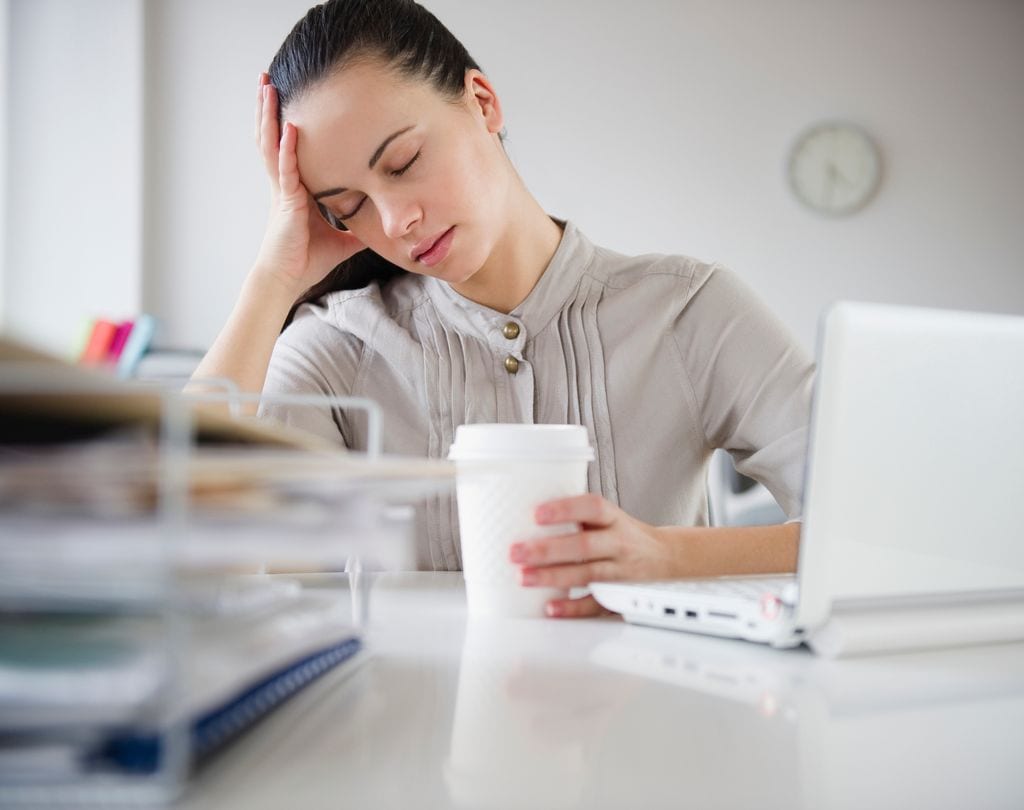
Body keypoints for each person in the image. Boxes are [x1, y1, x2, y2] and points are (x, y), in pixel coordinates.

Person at [192, 0, 814, 618]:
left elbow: (881, 532)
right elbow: (174, 542)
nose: (393, 220)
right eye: (348, 206)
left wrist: (669, 557)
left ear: (482, 101)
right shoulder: (337, 348)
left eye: (403, 163)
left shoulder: (686, 312)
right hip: (411, 718)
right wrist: (274, 279)